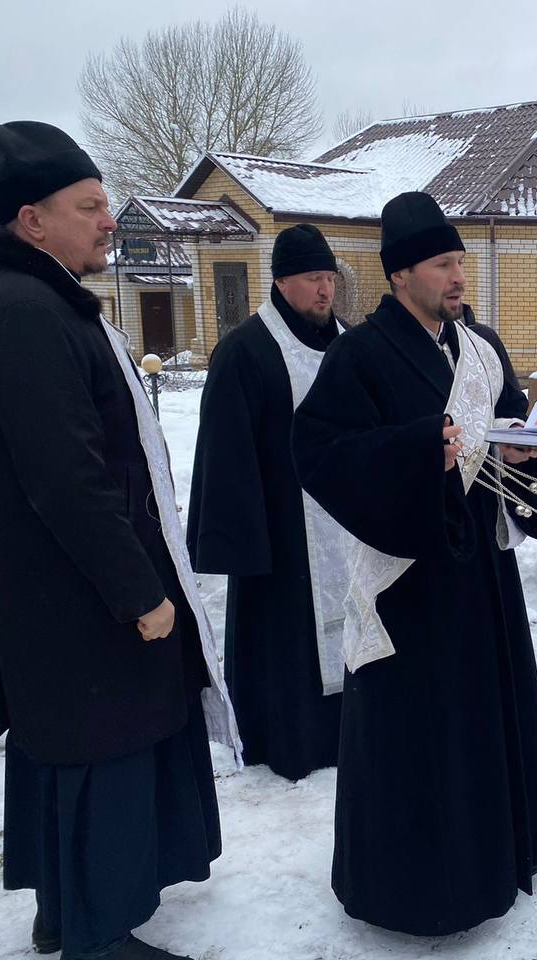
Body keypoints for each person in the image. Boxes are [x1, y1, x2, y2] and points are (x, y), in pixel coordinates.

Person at [0, 120, 238, 960]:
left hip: (64, 597)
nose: (109, 220)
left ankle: (67, 910)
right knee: (102, 748)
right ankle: (99, 933)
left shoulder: (36, 297)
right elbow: (66, 479)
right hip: (79, 598)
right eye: (89, 207)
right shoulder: (25, 312)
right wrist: (138, 590)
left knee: (77, 746)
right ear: (32, 220)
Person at [291, 191, 537, 936]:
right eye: (443, 264)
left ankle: (497, 857)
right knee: (421, 738)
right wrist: (417, 451)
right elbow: (319, 453)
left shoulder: (482, 347)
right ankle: (417, 891)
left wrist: (522, 451)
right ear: (401, 274)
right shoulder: (360, 354)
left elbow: (503, 426)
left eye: (460, 262)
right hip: (409, 580)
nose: (458, 277)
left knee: (483, 722)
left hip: (483, 576)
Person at [187, 224, 348, 781]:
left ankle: (351, 730)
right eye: (312, 278)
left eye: (329, 278)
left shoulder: (350, 344)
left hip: (348, 524)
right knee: (286, 642)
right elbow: (226, 450)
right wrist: (243, 541)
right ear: (280, 281)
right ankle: (290, 743)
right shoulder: (245, 350)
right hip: (281, 529)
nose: (324, 290)